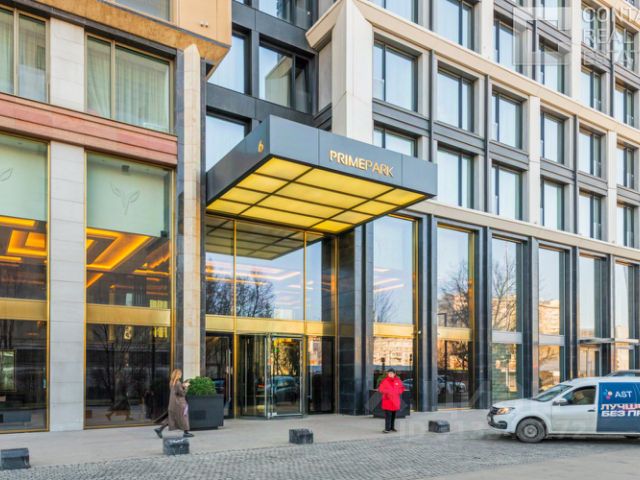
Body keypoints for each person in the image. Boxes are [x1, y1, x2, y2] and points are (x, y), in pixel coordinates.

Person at [154, 369, 193, 438]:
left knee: (171, 419)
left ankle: (159, 429)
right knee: (184, 417)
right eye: (180, 374)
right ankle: (186, 433)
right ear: (178, 375)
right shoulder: (178, 383)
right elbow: (182, 394)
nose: (181, 375)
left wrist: (182, 386)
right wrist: (186, 387)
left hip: (173, 404)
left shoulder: (172, 382)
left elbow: (176, 391)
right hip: (180, 404)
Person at [378, 368, 405, 433]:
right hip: (388, 401)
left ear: (394, 374)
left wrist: (398, 392)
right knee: (388, 416)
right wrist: (388, 392)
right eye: (389, 373)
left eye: (392, 373)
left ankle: (392, 427)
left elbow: (402, 388)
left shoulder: (398, 381)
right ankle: (387, 429)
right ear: (388, 374)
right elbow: (380, 389)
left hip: (395, 401)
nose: (390, 374)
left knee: (393, 415)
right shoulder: (384, 381)